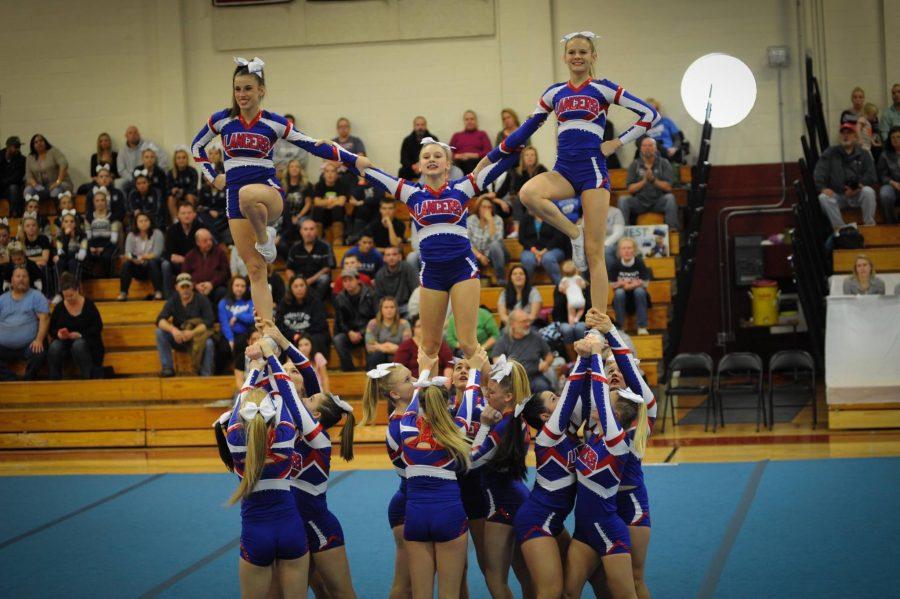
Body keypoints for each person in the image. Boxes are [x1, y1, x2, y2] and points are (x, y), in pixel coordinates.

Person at [476, 31, 659, 320]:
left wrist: (618, 142)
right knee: (527, 194)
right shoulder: (554, 92)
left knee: (594, 252)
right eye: (572, 52)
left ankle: (598, 319)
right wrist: (490, 157)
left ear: (592, 57)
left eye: (583, 52)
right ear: (565, 57)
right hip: (564, 170)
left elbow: (649, 114)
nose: (577, 57)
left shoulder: (603, 88)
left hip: (594, 173)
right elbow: (525, 131)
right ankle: (574, 231)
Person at [333, 137, 519, 377]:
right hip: (432, 275)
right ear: (418, 166)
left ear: (448, 164)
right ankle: (428, 405)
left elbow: (504, 162)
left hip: (462, 270)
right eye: (426, 157)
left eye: (437, 156)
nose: (431, 159)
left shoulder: (464, 186)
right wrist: (338, 153)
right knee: (429, 346)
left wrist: (516, 145)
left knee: (467, 343)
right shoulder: (410, 192)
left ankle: (491, 393)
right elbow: (369, 172)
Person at [190, 56, 354, 327]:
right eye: (237, 89)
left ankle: (265, 236)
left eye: (247, 88)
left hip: (268, 193)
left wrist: (352, 160)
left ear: (261, 91)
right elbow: (196, 147)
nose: (241, 95)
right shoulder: (221, 120)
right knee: (255, 269)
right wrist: (213, 177)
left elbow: (312, 144)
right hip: (236, 201)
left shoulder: (273, 122)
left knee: (247, 194)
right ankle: (268, 330)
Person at [253, 327, 359, 599]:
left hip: (315, 521)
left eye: (295, 372)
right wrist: (267, 340)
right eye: (286, 370)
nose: (290, 373)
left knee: (336, 592)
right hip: (286, 521)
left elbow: (307, 374)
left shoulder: (314, 428)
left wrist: (278, 347)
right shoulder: (276, 413)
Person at [221, 353, 309, 598]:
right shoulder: (285, 435)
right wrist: (271, 359)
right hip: (291, 527)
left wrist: (255, 368)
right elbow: (284, 395)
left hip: (255, 532)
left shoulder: (235, 440)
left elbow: (242, 397)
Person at [586, 308, 657, 599]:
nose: (614, 373)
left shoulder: (643, 415)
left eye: (619, 370)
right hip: (601, 505)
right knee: (603, 578)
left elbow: (632, 376)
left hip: (631, 502)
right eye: (608, 369)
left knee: (634, 579)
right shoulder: (595, 415)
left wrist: (611, 333)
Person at [514, 342, 592, 599]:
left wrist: (594, 359)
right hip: (537, 521)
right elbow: (570, 393)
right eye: (552, 399)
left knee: (570, 587)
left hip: (554, 522)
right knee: (550, 591)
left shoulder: (568, 430)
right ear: (546, 416)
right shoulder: (548, 437)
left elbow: (583, 394)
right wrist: (581, 357)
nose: (558, 399)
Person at [398, 369, 476, 599]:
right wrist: (475, 368)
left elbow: (413, 401)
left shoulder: (406, 427)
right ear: (448, 403)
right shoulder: (457, 430)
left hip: (415, 515)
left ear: (421, 403)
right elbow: (471, 395)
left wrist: (423, 375)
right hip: (448, 513)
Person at [469, 355, 534, 598]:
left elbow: (470, 461)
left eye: (492, 392)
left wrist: (484, 425)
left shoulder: (502, 426)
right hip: (517, 496)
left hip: (501, 504)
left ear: (508, 396)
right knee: (525, 574)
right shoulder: (517, 419)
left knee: (494, 576)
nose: (487, 395)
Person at [359, 362, 418, 597]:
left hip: (421, 501)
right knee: (405, 584)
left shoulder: (413, 415)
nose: (415, 380)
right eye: (407, 379)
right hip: (407, 506)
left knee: (418, 583)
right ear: (394, 394)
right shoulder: (399, 427)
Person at [814, 123, 878, 228]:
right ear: (840, 137)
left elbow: (871, 175)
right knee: (823, 198)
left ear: (855, 137)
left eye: (849, 133)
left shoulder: (864, 153)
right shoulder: (830, 153)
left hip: (857, 194)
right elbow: (819, 171)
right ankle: (841, 228)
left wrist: (857, 187)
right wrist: (822, 188)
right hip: (838, 195)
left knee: (869, 192)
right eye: (843, 133)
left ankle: (869, 225)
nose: (845, 136)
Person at [155, 272, 215, 377]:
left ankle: (206, 373)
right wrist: (173, 330)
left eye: (187, 286)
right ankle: (167, 368)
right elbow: (160, 320)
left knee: (209, 343)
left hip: (197, 338)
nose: (185, 289)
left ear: (192, 286)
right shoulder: (173, 300)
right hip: (179, 338)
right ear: (177, 287)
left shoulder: (202, 299)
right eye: (182, 287)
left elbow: (209, 322)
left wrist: (192, 333)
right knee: (160, 332)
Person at [47, 272, 104, 380]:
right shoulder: (59, 307)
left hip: (86, 341)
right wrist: (58, 334)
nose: (69, 298)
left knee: (78, 345)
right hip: (65, 341)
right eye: (65, 296)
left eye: (71, 295)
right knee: (54, 347)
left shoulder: (88, 305)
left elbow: (98, 326)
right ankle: (54, 379)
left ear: (77, 290)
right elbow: (52, 329)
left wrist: (80, 334)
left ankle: (88, 377)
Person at [618, 136, 679, 230]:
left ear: (655, 148)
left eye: (650, 145)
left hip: (658, 201)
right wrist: (644, 181)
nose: (647, 148)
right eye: (644, 146)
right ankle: (623, 232)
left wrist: (654, 180)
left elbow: (668, 187)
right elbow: (630, 189)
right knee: (623, 200)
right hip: (640, 202)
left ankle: (672, 232)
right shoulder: (635, 164)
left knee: (670, 198)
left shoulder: (664, 163)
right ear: (640, 148)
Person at [0, 266, 49, 380]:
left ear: (29, 279)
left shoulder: (37, 296)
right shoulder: (2, 299)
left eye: (24, 276)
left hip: (29, 345)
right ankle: (10, 379)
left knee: (40, 353)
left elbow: (44, 318)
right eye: (18, 276)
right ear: (12, 280)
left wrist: (39, 340)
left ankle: (28, 379)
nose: (21, 279)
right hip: (3, 346)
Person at [492, 309, 554, 393]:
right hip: (514, 381)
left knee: (543, 387)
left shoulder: (536, 336)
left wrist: (546, 363)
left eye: (528, 321)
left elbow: (549, 356)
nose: (528, 324)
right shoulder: (503, 340)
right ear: (512, 324)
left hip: (534, 377)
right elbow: (497, 362)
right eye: (524, 321)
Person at [332, 267, 377, 371]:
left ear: (358, 279)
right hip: (350, 333)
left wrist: (362, 332)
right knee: (338, 340)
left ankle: (370, 371)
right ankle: (349, 371)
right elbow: (340, 321)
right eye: (345, 281)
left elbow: (376, 317)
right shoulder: (339, 298)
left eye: (350, 279)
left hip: (368, 331)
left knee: (371, 337)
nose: (348, 283)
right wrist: (349, 332)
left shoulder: (370, 294)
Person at [275, 274, 330, 358]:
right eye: (295, 286)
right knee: (280, 340)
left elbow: (320, 324)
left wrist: (303, 335)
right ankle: (284, 367)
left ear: (306, 287)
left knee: (317, 339)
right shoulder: (284, 303)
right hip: (291, 335)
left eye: (301, 285)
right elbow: (279, 325)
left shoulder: (315, 301)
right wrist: (293, 334)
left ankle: (316, 365)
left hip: (311, 334)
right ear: (291, 289)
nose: (299, 289)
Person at [162, 202, 207, 297]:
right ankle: (168, 296)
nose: (186, 216)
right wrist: (172, 257)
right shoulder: (172, 230)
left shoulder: (201, 228)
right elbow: (167, 252)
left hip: (195, 263)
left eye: (189, 213)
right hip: (178, 264)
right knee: (165, 264)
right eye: (183, 213)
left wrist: (186, 260)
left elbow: (204, 249)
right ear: (178, 215)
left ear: (194, 214)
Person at [285, 218, 335, 302]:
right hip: (300, 280)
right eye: (305, 229)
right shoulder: (295, 247)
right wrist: (294, 280)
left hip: (317, 280)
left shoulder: (325, 246)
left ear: (316, 231)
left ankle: (315, 303)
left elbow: (327, 268)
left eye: (311, 229)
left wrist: (309, 281)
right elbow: (289, 268)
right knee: (288, 285)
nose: (308, 232)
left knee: (324, 279)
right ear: (301, 231)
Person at [610, 237, 652, 335]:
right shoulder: (615, 265)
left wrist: (624, 284)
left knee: (640, 291)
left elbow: (645, 283)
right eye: (624, 248)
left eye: (629, 248)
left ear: (634, 250)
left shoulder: (639, 263)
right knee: (619, 293)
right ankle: (620, 328)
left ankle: (642, 327)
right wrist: (634, 282)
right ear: (619, 251)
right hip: (621, 298)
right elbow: (612, 284)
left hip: (639, 297)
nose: (627, 251)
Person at [119, 212, 164, 300]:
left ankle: (158, 291)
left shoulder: (157, 233)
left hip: (151, 266)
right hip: (137, 265)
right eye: (141, 221)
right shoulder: (131, 235)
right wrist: (134, 259)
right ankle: (123, 293)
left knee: (152, 262)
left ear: (150, 222)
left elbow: (157, 253)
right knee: (126, 264)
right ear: (136, 223)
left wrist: (142, 257)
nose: (143, 223)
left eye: (146, 220)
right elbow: (128, 253)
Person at [518, 211, 570, 285]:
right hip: (531, 249)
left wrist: (544, 251)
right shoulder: (525, 218)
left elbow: (558, 238)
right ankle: (526, 286)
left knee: (548, 259)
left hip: (553, 249)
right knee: (527, 260)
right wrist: (535, 251)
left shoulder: (554, 216)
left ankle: (560, 285)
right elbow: (522, 238)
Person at [394, 315, 453, 379]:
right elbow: (398, 368)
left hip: (437, 383)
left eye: (425, 326)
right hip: (413, 384)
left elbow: (449, 365)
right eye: (419, 326)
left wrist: (446, 383)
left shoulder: (439, 344)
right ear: (413, 329)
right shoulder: (405, 346)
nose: (423, 329)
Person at [507, 147, 548, 238]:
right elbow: (516, 190)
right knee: (518, 199)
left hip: (539, 198)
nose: (530, 157)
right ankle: (517, 231)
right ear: (523, 158)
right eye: (527, 155)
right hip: (523, 200)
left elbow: (546, 187)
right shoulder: (518, 172)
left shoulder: (541, 169)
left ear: (536, 157)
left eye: (532, 155)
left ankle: (531, 231)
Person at [218, 275, 255, 378]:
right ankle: (221, 374)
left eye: (242, 286)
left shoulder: (249, 301)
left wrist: (237, 316)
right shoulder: (223, 302)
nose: (239, 288)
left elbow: (252, 318)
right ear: (232, 286)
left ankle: (243, 373)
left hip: (245, 333)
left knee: (242, 343)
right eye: (237, 285)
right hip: (229, 333)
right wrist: (230, 339)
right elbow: (224, 323)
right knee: (223, 347)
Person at [183, 228, 230, 305]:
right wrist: (195, 285)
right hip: (196, 289)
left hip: (215, 287)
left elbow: (225, 273)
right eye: (205, 241)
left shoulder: (220, 253)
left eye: (210, 240)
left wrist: (211, 284)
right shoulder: (190, 256)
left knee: (222, 291)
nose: (209, 243)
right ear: (197, 242)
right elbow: (185, 275)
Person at [468, 196, 508, 286]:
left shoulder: (497, 220)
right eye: (484, 207)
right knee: (465, 254)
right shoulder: (471, 220)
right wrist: (480, 256)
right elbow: (467, 242)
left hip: (496, 253)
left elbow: (496, 240)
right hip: (478, 254)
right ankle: (471, 283)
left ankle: (501, 278)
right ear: (478, 208)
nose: (487, 210)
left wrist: (490, 221)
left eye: (489, 207)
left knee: (494, 245)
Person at [24, 133, 73, 204]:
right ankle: (31, 213)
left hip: (58, 184)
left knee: (55, 191)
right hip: (40, 187)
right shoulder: (30, 158)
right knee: (27, 190)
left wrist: (58, 181)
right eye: (36, 142)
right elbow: (28, 176)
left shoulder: (53, 151)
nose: (39, 143)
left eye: (41, 141)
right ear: (33, 145)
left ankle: (59, 213)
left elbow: (64, 164)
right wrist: (35, 185)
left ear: (45, 142)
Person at [115, 126, 167, 192]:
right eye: (130, 133)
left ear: (139, 134)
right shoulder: (122, 151)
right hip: (131, 178)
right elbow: (121, 169)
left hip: (150, 176)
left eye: (135, 133)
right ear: (126, 136)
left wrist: (157, 170)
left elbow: (163, 156)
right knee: (119, 184)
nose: (133, 135)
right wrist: (134, 179)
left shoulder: (148, 144)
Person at [365, 296, 412, 369]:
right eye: (386, 307)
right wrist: (386, 348)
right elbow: (370, 347)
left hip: (399, 357)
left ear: (396, 309)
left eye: (392, 307)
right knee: (376, 355)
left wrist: (380, 346)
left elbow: (407, 348)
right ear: (381, 309)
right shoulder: (373, 323)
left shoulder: (404, 324)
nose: (389, 310)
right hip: (379, 357)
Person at [278, 159, 313, 254]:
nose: (294, 169)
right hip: (286, 215)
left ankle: (303, 250)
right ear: (288, 169)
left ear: (300, 169)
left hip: (302, 215)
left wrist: (298, 216)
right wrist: (289, 217)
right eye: (292, 166)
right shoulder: (282, 185)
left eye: (297, 166)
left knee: (302, 224)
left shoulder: (306, 185)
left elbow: (308, 204)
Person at [196, 146, 230, 243]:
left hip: (222, 214)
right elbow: (199, 205)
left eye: (216, 153)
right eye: (210, 153)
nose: (210, 179)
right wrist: (209, 210)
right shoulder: (204, 188)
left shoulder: (225, 186)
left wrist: (218, 213)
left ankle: (216, 241)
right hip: (208, 214)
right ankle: (216, 241)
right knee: (201, 216)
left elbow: (228, 205)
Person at [311, 162, 350, 245]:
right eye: (327, 171)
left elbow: (341, 202)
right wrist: (333, 201)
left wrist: (325, 203)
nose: (330, 174)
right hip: (323, 215)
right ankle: (317, 239)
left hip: (337, 216)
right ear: (324, 174)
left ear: (336, 174)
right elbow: (317, 202)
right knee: (317, 209)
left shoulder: (341, 185)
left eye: (332, 171)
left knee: (337, 209)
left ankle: (338, 239)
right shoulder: (319, 185)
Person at [375, 245, 419, 316]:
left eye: (394, 254)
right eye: (388, 255)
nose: (391, 257)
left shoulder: (407, 268)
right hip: (389, 308)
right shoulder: (380, 274)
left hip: (407, 305)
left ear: (400, 257)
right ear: (384, 258)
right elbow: (379, 297)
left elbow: (415, 289)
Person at [346, 168, 386, 244]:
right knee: (361, 210)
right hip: (360, 213)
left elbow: (379, 197)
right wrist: (361, 184)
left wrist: (362, 202)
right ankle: (357, 238)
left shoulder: (376, 182)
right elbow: (353, 198)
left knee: (366, 209)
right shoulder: (354, 183)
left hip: (376, 211)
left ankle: (356, 237)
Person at [19, 216, 53, 298]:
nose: (31, 228)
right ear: (23, 228)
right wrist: (35, 260)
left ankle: (47, 295)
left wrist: (28, 259)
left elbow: (45, 258)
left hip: (42, 265)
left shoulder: (43, 239)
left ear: (37, 227)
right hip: (28, 266)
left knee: (43, 265)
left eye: (33, 225)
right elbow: (20, 259)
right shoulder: (21, 241)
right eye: (28, 226)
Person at [53, 212, 88, 289]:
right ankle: (59, 292)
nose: (69, 224)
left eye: (72, 221)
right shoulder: (59, 238)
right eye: (66, 221)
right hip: (66, 261)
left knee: (72, 262)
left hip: (80, 263)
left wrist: (65, 255)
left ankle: (75, 289)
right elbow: (61, 253)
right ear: (62, 224)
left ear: (75, 224)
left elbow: (82, 256)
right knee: (59, 263)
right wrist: (66, 237)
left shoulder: (82, 236)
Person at [166, 147, 199, 220]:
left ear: (187, 159)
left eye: (183, 158)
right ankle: (176, 220)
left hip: (189, 195)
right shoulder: (171, 173)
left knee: (189, 196)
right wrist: (173, 190)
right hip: (176, 196)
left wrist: (183, 191)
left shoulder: (192, 171)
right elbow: (167, 189)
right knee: (170, 198)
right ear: (175, 160)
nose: (181, 160)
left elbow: (193, 188)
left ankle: (190, 219)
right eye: (178, 158)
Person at [878, 126, 900, 223]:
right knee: (885, 194)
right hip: (892, 185)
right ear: (890, 140)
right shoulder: (885, 155)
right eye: (893, 137)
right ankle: (891, 223)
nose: (896, 140)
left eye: (898, 137)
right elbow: (882, 174)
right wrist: (893, 183)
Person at [1, 136, 26, 217]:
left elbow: (17, 177)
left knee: (13, 188)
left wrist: (3, 182)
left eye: (19, 147)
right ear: (8, 146)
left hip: (12, 187)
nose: (18, 149)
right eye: (16, 146)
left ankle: (14, 215)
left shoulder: (22, 160)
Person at [559, 259, 587, 324]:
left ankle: (571, 325)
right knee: (581, 309)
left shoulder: (564, 280)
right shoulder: (578, 278)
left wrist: (565, 291)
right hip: (580, 300)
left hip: (571, 301)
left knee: (571, 314)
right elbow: (583, 286)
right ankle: (577, 318)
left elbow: (560, 289)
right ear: (576, 270)